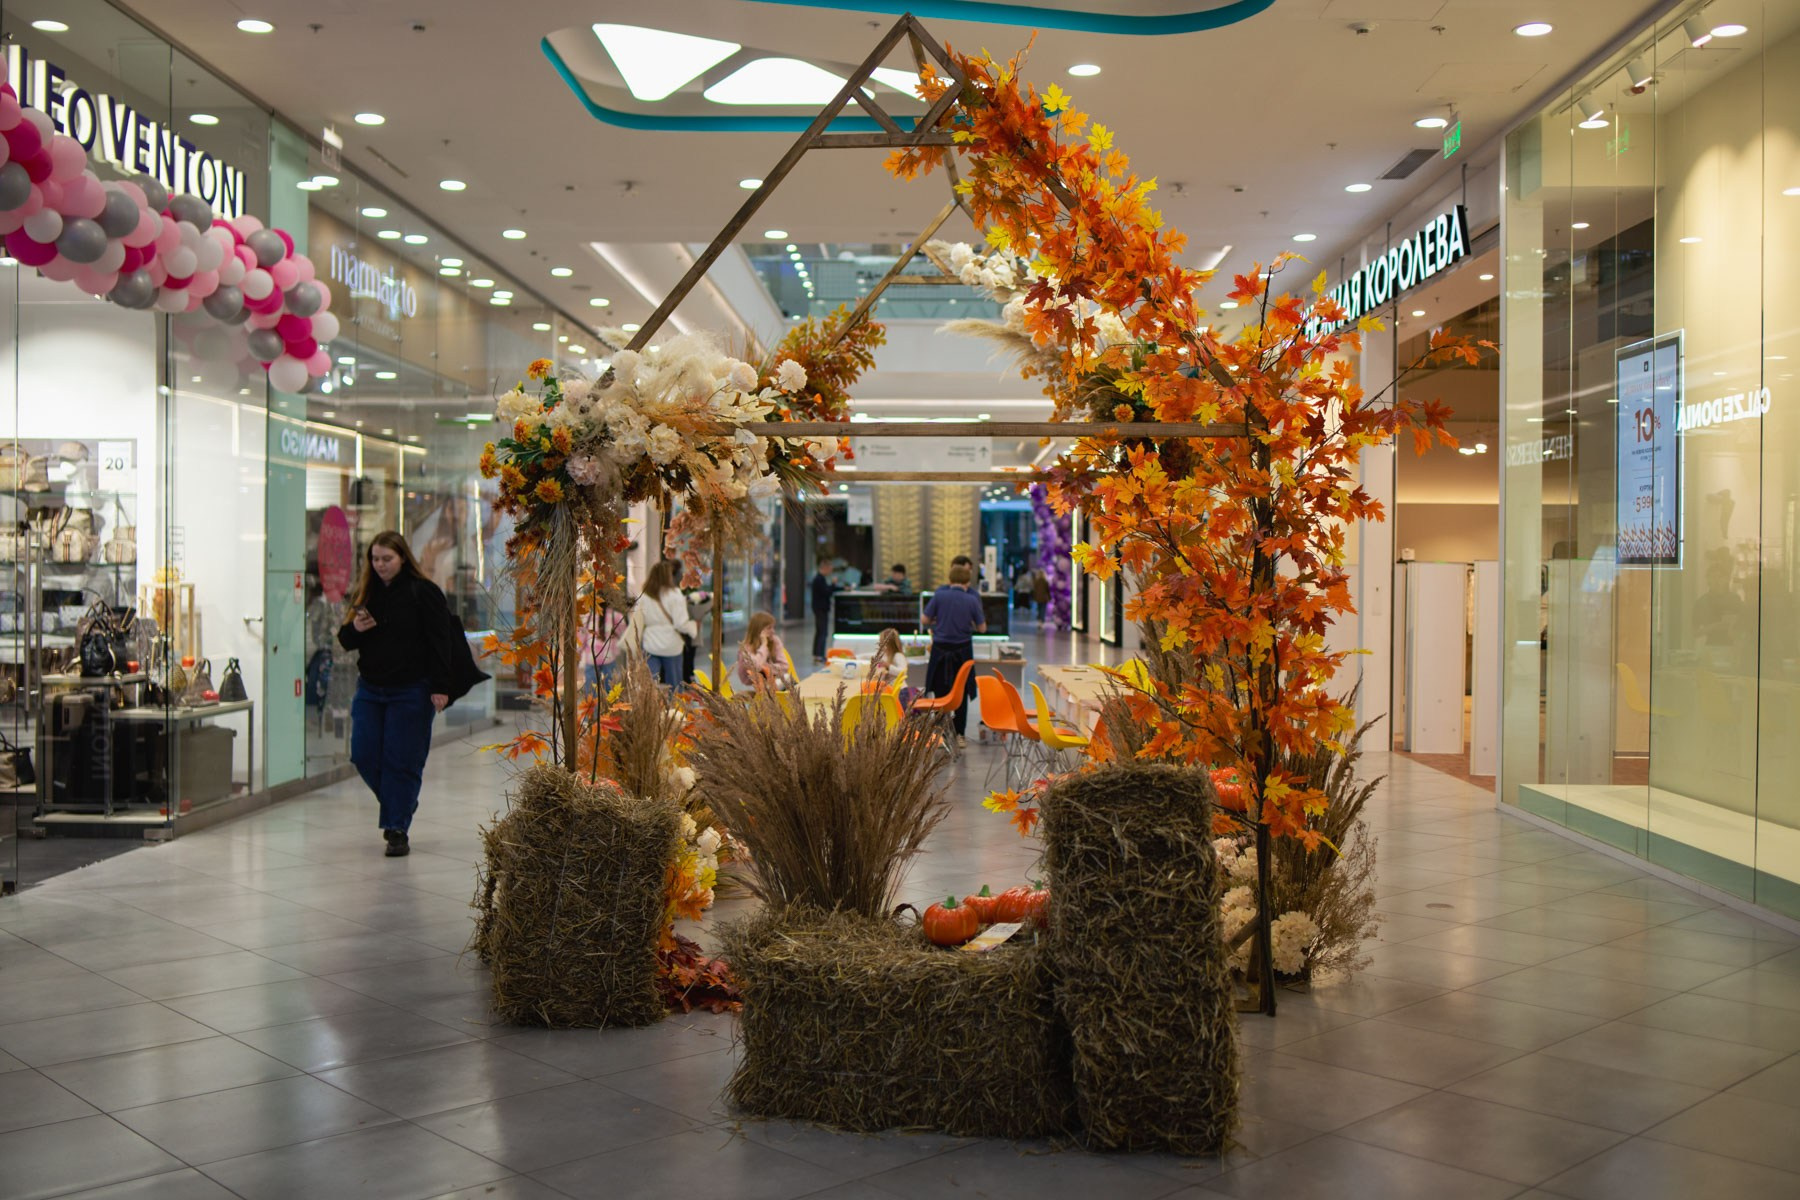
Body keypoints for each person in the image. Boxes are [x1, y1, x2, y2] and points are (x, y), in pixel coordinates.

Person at [338, 531, 456, 858]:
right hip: (371, 688)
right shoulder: (367, 592)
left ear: (403, 557)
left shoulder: (424, 592)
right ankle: (401, 803)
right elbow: (345, 640)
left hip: (412, 689)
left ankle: (397, 829)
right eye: (375, 559)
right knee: (363, 753)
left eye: (387, 559)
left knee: (402, 760)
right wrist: (356, 629)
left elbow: (441, 641)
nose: (380, 565)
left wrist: (441, 686)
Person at [923, 562, 987, 746]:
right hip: (963, 651)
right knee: (961, 692)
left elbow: (924, 619)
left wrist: (938, 620)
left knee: (940, 692)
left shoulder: (939, 595)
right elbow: (982, 628)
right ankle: (960, 735)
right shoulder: (972, 600)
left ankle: (940, 735)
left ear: (950, 579)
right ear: (967, 581)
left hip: (940, 651)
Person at [634, 560, 696, 688]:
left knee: (649, 685)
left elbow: (638, 618)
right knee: (675, 685)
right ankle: (674, 701)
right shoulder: (675, 594)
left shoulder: (644, 595)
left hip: (650, 643)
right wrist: (693, 628)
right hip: (671, 645)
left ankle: (650, 701)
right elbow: (680, 624)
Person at [735, 611, 794, 690]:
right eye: (769, 628)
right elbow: (755, 667)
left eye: (773, 627)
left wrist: (765, 668)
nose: (773, 631)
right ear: (758, 630)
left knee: (787, 680)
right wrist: (764, 645)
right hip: (757, 682)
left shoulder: (775, 640)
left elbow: (784, 666)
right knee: (782, 685)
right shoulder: (746, 647)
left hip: (774, 680)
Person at [810, 560, 840, 663]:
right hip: (821, 609)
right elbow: (826, 592)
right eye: (830, 569)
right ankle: (819, 655)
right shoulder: (819, 579)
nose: (830, 572)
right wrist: (833, 584)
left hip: (820, 608)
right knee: (822, 632)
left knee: (820, 631)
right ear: (825, 568)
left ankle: (817, 654)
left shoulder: (820, 579)